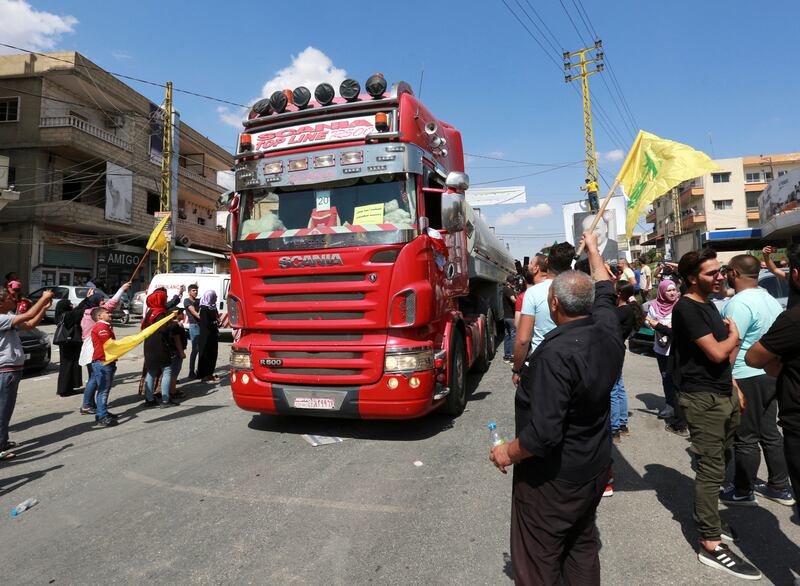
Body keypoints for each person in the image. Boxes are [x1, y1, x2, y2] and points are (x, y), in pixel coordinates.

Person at [490, 229, 622, 585]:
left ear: (554, 305)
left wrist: (506, 452)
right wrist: (594, 249)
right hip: (594, 468)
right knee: (581, 544)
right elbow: (606, 288)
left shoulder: (554, 356)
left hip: (555, 481)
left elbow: (543, 435)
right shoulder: (609, 330)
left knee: (538, 559)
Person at [671, 248, 761, 580]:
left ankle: (710, 521)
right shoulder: (687, 308)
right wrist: (736, 336)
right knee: (710, 470)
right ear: (692, 278)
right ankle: (710, 542)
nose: (720, 276)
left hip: (722, 393)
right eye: (711, 273)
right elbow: (716, 351)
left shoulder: (708, 304)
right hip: (701, 399)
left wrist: (734, 385)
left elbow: (723, 358)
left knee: (721, 461)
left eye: (720, 270)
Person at [718, 254, 793, 507]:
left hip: (746, 375)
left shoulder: (738, 304)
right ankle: (780, 486)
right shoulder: (768, 298)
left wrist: (727, 379)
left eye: (727, 271)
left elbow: (733, 344)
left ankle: (742, 490)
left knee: (746, 436)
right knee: (770, 432)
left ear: (734, 273)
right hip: (770, 373)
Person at [746, 243, 800, 518]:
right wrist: (766, 257)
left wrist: (780, 366)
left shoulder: (791, 321)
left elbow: (755, 358)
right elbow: (774, 270)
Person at [512, 242, 576, 387]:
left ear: (547, 262)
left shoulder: (533, 293)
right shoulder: (578, 286)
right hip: (575, 360)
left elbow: (523, 339)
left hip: (544, 364)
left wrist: (516, 369)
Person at [1, 288, 52, 460]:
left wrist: (44, 309)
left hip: (11, 371)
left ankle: (3, 440)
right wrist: (43, 298)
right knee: (2, 409)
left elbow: (30, 324)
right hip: (5, 371)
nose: (13, 299)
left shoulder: (7, 318)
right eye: (9, 297)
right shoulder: (2, 318)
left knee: (6, 409)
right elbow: (28, 315)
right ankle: (0, 447)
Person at [645, 280, 688, 436]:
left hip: (676, 351)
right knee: (666, 378)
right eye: (668, 290)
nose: (672, 293)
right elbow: (648, 321)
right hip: (661, 349)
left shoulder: (680, 306)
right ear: (662, 292)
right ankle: (670, 405)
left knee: (679, 380)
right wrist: (656, 324)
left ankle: (682, 411)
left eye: (674, 290)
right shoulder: (654, 306)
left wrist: (663, 325)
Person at [611, 282, 644, 444]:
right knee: (619, 387)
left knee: (613, 390)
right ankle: (622, 424)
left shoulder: (618, 312)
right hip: (620, 348)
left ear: (618, 294)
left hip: (612, 350)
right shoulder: (629, 309)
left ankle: (614, 427)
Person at [142, 288, 182, 408]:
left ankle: (149, 399)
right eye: (164, 298)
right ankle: (165, 399)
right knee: (167, 371)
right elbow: (164, 329)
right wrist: (174, 324)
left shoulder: (150, 311)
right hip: (159, 346)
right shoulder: (160, 313)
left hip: (149, 345)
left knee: (151, 372)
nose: (166, 299)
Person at [54, 294, 92, 397]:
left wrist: (86, 298)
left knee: (66, 366)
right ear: (65, 306)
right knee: (69, 366)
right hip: (70, 344)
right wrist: (89, 301)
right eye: (70, 304)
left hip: (65, 344)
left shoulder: (61, 315)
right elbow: (81, 311)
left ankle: (65, 388)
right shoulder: (69, 315)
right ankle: (65, 390)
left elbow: (78, 309)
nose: (71, 305)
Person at [88, 306, 119, 427]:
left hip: (104, 361)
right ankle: (102, 416)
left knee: (104, 389)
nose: (110, 314)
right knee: (103, 390)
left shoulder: (105, 326)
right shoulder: (101, 327)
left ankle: (102, 412)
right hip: (103, 362)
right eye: (107, 313)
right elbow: (108, 344)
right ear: (99, 316)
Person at [197, 290, 220, 383]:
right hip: (205, 336)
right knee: (205, 354)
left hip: (213, 334)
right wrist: (215, 322)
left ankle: (210, 374)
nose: (216, 298)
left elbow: (215, 318)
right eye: (214, 296)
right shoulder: (204, 308)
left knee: (213, 354)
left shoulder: (213, 307)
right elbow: (205, 323)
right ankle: (204, 375)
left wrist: (217, 321)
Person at [183, 283, 201, 379]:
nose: (195, 292)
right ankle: (191, 372)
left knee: (201, 349)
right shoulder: (187, 301)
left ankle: (200, 370)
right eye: (193, 290)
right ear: (189, 292)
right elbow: (194, 312)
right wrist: (204, 319)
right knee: (195, 350)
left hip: (200, 326)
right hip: (194, 326)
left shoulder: (199, 300)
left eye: (196, 290)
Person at [502, 276, 517, 363]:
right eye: (512, 282)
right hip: (511, 317)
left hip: (506, 317)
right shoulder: (508, 290)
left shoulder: (505, 289)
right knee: (513, 335)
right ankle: (512, 355)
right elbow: (513, 300)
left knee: (507, 335)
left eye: (514, 282)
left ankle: (507, 356)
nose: (514, 283)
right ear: (508, 282)